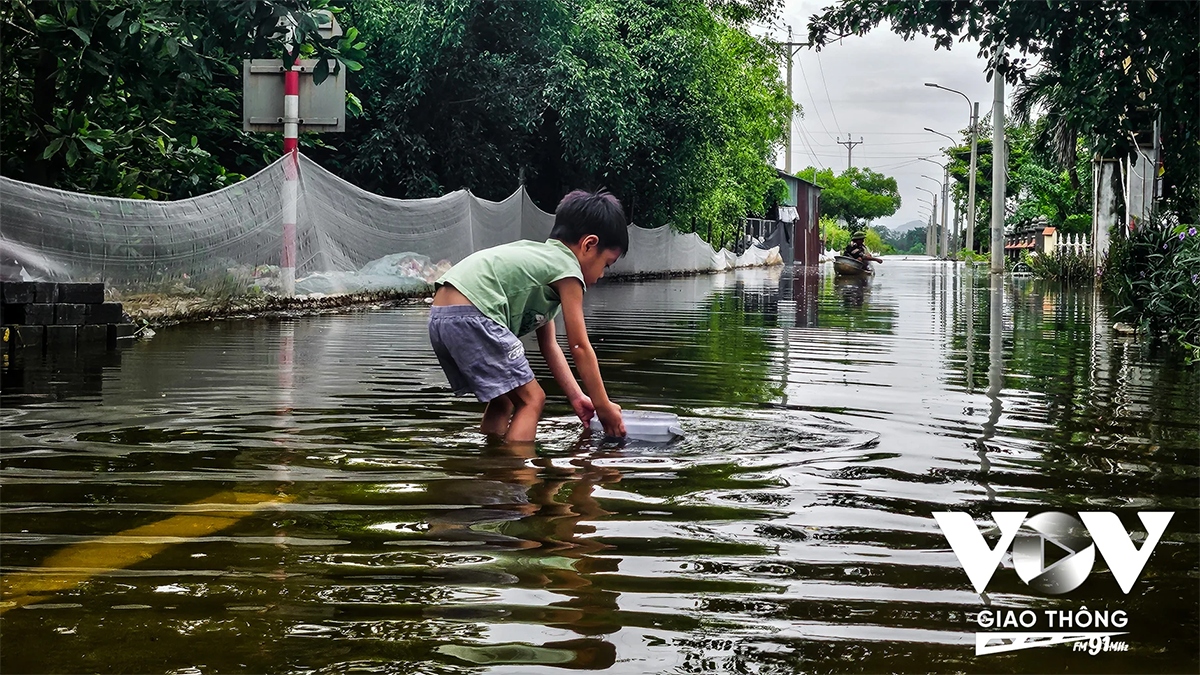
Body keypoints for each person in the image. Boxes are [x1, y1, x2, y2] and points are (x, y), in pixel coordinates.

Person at [428, 189, 628, 442]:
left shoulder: (543, 262)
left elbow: (550, 345)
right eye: (606, 265)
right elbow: (579, 345)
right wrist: (603, 405)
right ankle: (519, 475)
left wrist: (578, 397)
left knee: (505, 399)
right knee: (533, 399)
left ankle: (490, 464)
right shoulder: (568, 272)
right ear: (589, 245)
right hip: (473, 312)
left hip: (441, 315)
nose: (601, 275)